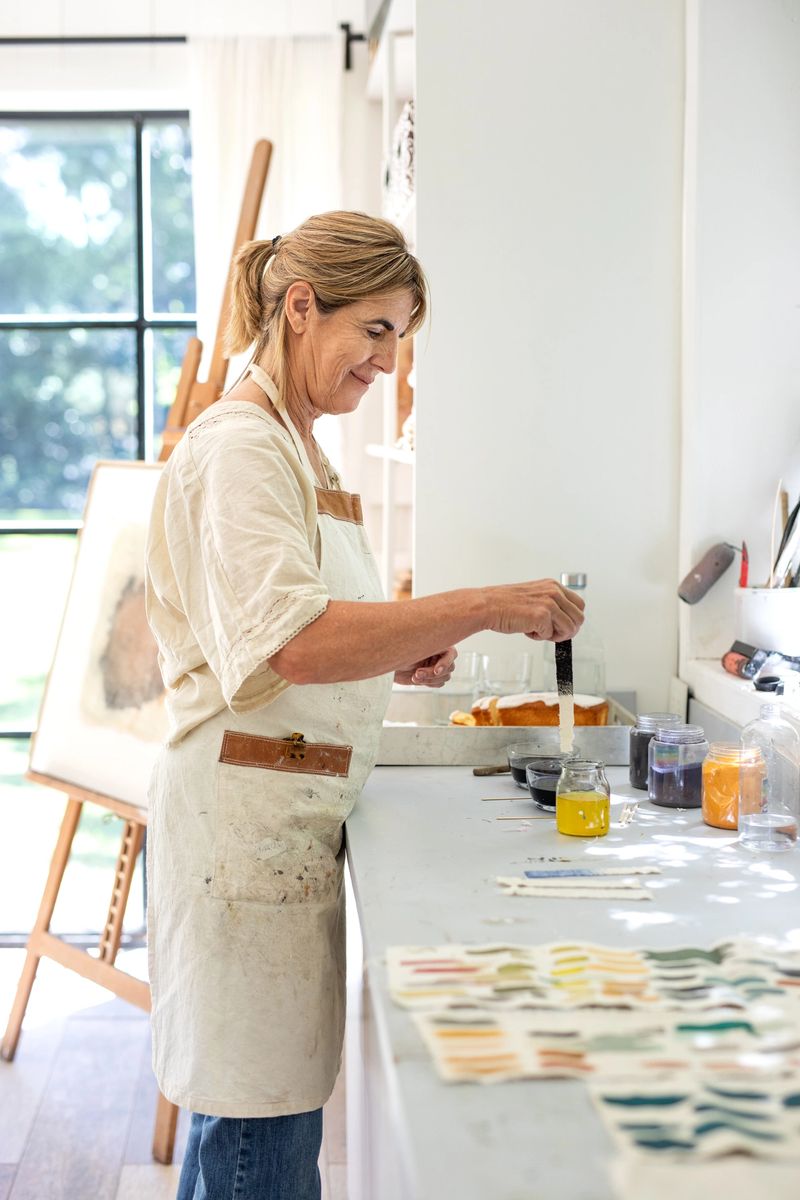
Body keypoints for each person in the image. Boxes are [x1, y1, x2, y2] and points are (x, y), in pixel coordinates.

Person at [144, 210, 584, 1200]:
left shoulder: (300, 444)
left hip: (283, 817)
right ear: (302, 308)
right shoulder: (244, 450)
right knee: (252, 1135)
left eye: (401, 337)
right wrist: (482, 605)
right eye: (376, 331)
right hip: (239, 833)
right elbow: (293, 642)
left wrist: (397, 648)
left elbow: (306, 625)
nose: (389, 364)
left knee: (264, 1124)